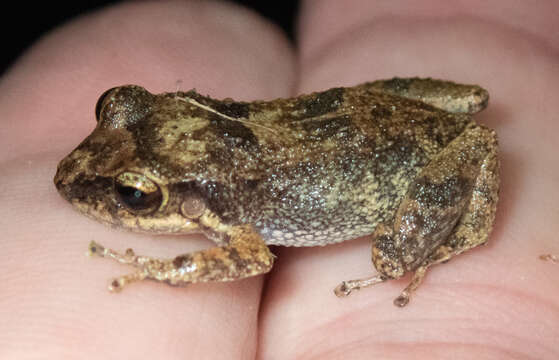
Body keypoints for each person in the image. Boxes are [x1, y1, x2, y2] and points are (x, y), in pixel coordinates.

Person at [1, 1, 558, 358]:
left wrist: (161, 269)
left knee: (392, 259)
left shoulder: (229, 214)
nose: (90, 178)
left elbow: (252, 256)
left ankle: (457, 240)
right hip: (370, 117)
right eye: (114, 109)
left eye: (135, 194)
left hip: (411, 158)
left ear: (194, 201)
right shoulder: (191, 144)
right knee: (469, 110)